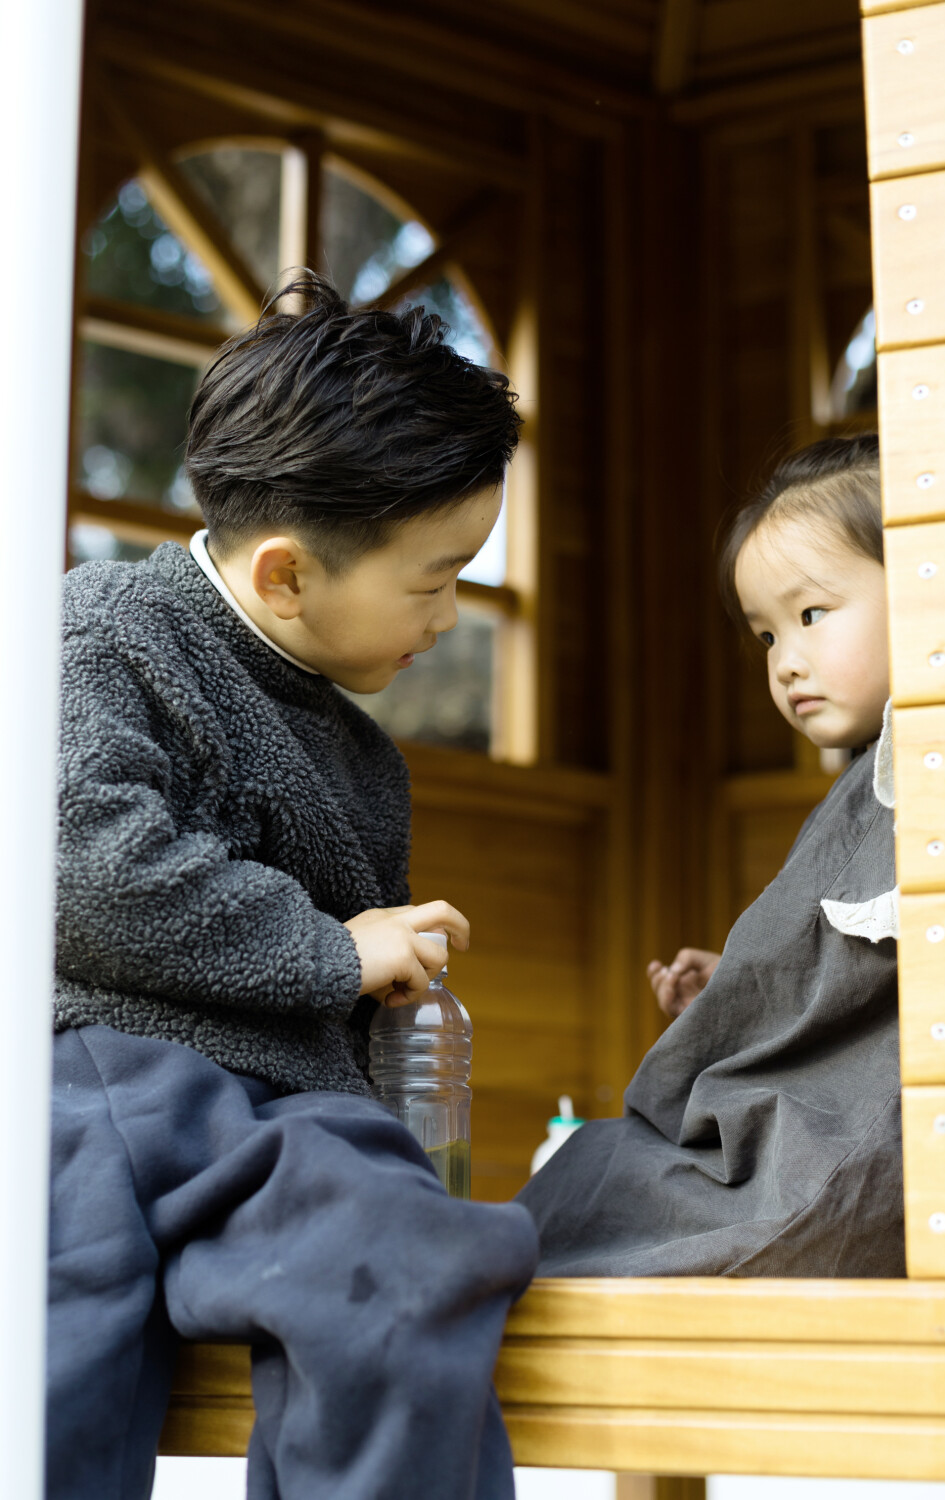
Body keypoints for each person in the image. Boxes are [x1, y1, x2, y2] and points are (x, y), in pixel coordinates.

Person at [48, 273, 539, 1500]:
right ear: (285, 577)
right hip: (106, 1072)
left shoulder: (364, 754)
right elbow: (83, 860)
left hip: (275, 1111)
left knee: (416, 1260)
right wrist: (331, 952)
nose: (453, 608)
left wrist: (380, 1010)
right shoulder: (101, 635)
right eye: (433, 580)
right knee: (64, 1367)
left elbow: (354, 983)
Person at [518, 432, 904, 1277]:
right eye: (766, 637)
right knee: (589, 1170)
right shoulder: (861, 778)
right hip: (790, 1118)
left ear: (921, 588)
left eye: (811, 616)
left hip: (847, 1139)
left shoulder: (926, 757)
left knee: (620, 1205)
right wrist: (746, 988)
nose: (787, 663)